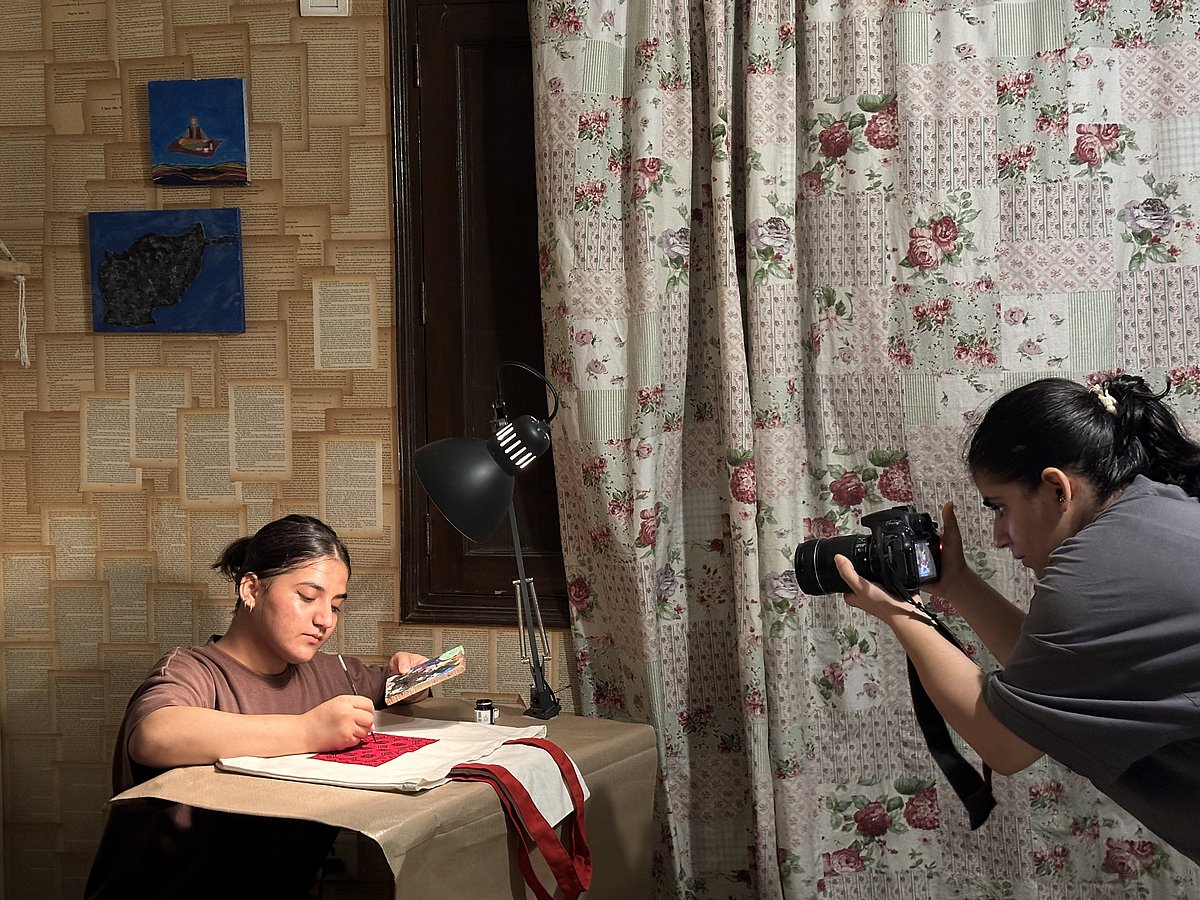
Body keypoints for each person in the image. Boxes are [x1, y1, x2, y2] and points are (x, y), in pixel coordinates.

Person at [833, 374, 1200, 865]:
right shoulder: (1154, 513)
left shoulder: (1095, 573)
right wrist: (958, 583)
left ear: (1055, 488)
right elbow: (1060, 673)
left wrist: (898, 613)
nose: (1000, 536)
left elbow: (1007, 744)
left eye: (1000, 507)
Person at [85, 514, 432, 898]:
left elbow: (393, 685)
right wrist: (307, 731)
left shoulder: (331, 673)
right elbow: (154, 734)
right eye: (307, 597)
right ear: (251, 589)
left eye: (336, 605)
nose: (324, 620)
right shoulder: (194, 671)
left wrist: (414, 678)